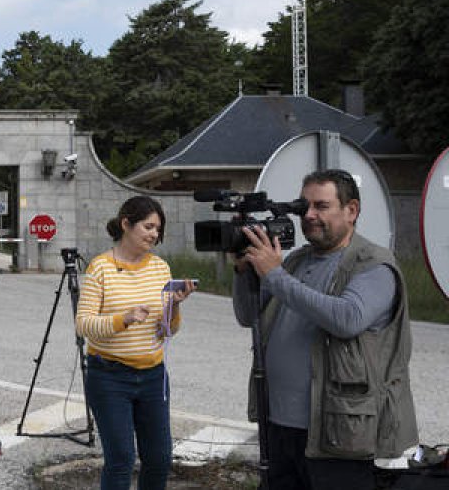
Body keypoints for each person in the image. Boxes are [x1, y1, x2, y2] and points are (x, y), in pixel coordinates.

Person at [234, 169, 418, 489]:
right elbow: (247, 315)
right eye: (304, 206)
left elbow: (347, 318)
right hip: (280, 426)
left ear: (351, 210)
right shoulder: (294, 261)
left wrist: (275, 276)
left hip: (339, 432)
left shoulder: (373, 264)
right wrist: (243, 273)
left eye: (321, 206)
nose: (309, 215)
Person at [75, 195, 194, 490]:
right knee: (121, 459)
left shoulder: (160, 268)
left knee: (160, 458)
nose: (154, 234)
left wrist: (175, 307)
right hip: (109, 377)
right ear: (126, 224)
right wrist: (122, 319)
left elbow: (167, 330)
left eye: (158, 229)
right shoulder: (100, 268)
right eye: (148, 226)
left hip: (153, 376)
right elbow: (83, 325)